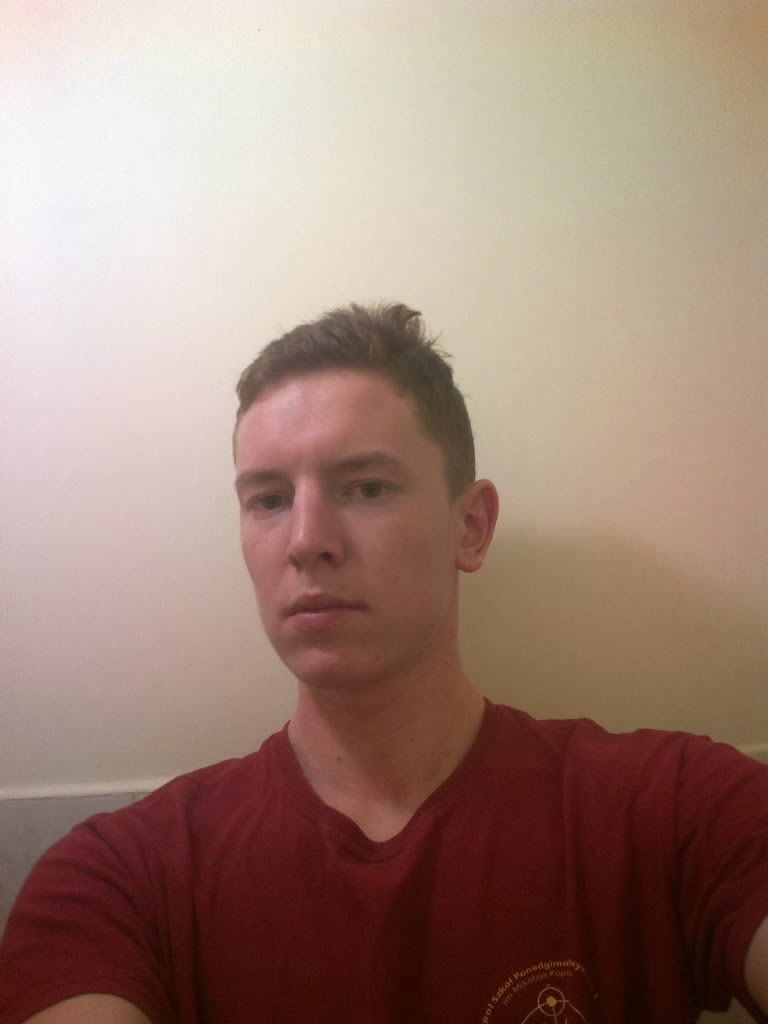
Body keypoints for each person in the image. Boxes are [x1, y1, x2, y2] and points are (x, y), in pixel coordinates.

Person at [1, 303, 767, 1024]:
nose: (307, 540)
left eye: (365, 487)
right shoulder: (116, 879)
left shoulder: (674, 812)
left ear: (471, 527)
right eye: (268, 499)